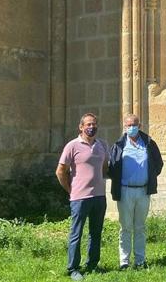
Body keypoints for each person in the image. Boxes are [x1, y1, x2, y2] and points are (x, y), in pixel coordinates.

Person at [56, 113, 109, 281]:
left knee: (96, 232)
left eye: (94, 124)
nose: (91, 127)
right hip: (79, 198)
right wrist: (70, 190)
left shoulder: (102, 145)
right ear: (81, 127)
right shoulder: (72, 146)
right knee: (76, 233)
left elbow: (104, 167)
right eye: (88, 124)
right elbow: (60, 171)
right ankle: (73, 268)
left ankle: (93, 264)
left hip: (99, 196)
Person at [108, 114, 163, 270]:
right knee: (125, 227)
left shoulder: (149, 143)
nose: (131, 127)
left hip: (143, 191)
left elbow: (158, 164)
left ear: (140, 126)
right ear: (124, 127)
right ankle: (124, 261)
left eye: (134, 125)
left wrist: (149, 178)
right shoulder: (119, 145)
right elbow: (112, 167)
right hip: (125, 192)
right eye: (128, 125)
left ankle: (140, 260)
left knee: (140, 227)